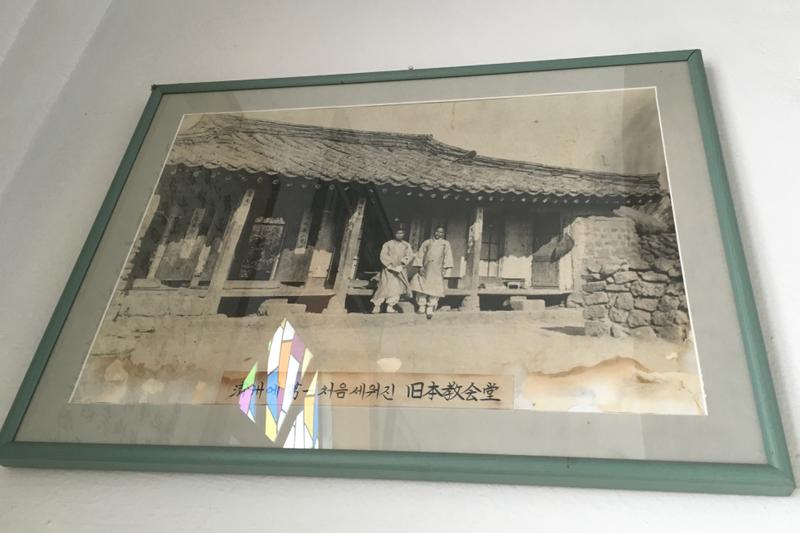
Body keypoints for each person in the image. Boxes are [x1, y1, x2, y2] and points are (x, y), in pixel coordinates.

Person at [409, 225, 454, 319]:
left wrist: (445, 268)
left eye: (441, 232)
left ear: (443, 234)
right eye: (437, 231)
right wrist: (420, 266)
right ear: (434, 232)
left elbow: (448, 256)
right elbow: (420, 254)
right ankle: (421, 306)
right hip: (426, 268)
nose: (438, 234)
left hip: (437, 269)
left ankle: (430, 307)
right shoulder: (427, 242)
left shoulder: (445, 244)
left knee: (435, 288)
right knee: (422, 286)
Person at [370, 226, 414, 313]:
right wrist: (390, 264)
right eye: (397, 233)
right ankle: (377, 305)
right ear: (394, 234)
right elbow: (383, 255)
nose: (399, 235)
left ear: (404, 234)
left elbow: (409, 255)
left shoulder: (406, 245)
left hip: (400, 269)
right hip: (388, 269)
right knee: (384, 286)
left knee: (396, 288)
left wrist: (402, 263)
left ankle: (390, 306)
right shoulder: (388, 244)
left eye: (401, 233)